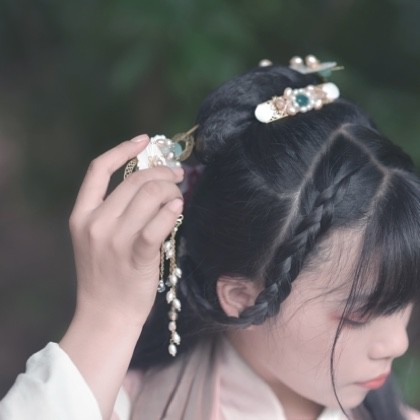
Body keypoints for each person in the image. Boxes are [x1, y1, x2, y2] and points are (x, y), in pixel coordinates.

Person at [1, 56, 420, 420]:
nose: (397, 342)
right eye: (357, 316)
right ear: (242, 297)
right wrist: (107, 318)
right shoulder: (122, 407)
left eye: (403, 299)